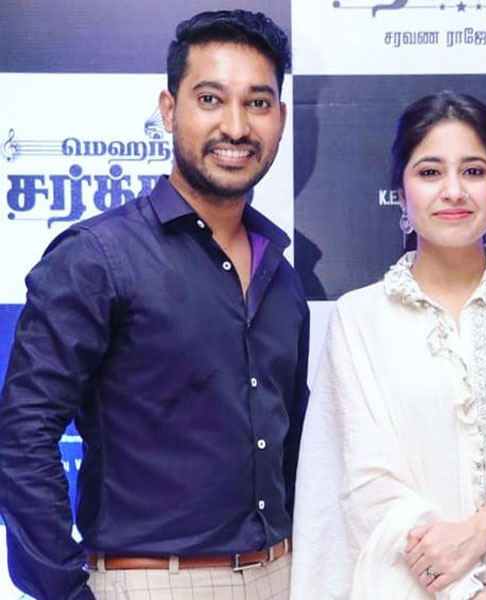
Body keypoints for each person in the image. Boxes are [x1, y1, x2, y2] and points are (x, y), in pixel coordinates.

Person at [0, 10, 309, 600]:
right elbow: (23, 435)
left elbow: (292, 448)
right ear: (169, 110)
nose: (236, 126)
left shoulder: (282, 277)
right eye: (210, 99)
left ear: (281, 118)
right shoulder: (97, 257)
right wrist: (64, 591)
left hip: (284, 574)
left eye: (258, 103)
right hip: (149, 582)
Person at [290, 91, 486, 599]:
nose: (453, 190)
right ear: (401, 191)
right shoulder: (359, 316)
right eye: (430, 172)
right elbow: (366, 482)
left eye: (474, 171)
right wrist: (466, 589)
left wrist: (474, 535)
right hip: (419, 584)